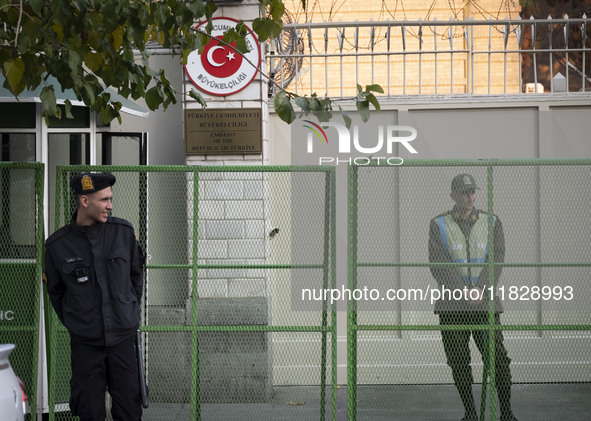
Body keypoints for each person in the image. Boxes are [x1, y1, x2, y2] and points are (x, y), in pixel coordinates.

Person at [44, 173, 144, 421]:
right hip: (86, 345)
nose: (110, 205)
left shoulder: (123, 232)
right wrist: (79, 323)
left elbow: (136, 278)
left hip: (122, 339)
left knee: (130, 410)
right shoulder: (58, 246)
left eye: (110, 199)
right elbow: (56, 293)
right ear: (84, 201)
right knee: (89, 410)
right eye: (104, 200)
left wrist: (128, 313)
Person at [428, 174, 518, 421]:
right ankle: (470, 413)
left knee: (498, 359)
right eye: (464, 192)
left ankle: (507, 413)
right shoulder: (438, 224)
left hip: (485, 303)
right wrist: (462, 290)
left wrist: (480, 288)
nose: (470, 197)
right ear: (453, 195)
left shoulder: (492, 222)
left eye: (473, 191)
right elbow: (438, 263)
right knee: (458, 362)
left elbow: (496, 258)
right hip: (451, 305)